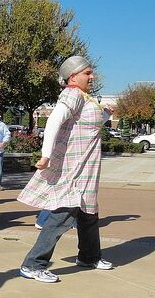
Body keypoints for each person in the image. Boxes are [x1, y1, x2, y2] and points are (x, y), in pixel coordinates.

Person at [17, 56, 113, 283]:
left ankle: (89, 257)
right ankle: (33, 264)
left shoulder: (85, 97)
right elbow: (53, 121)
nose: (92, 76)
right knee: (63, 214)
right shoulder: (72, 93)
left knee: (89, 214)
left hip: (88, 171)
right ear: (73, 77)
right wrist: (46, 154)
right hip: (73, 169)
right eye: (87, 73)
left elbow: (87, 125)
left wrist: (106, 114)